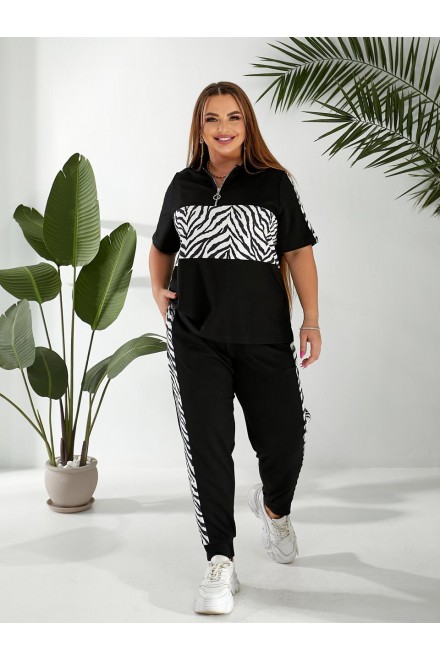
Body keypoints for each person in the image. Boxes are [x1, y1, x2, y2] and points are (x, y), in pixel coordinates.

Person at [149, 81, 321, 615]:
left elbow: (299, 253)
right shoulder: (182, 185)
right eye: (211, 119)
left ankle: (274, 510)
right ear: (199, 128)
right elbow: (161, 248)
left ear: (247, 126)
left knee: (286, 438)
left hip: (264, 336)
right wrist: (158, 291)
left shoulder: (273, 184)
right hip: (196, 338)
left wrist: (311, 319)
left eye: (233, 118)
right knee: (209, 446)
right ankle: (220, 560)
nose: (223, 128)